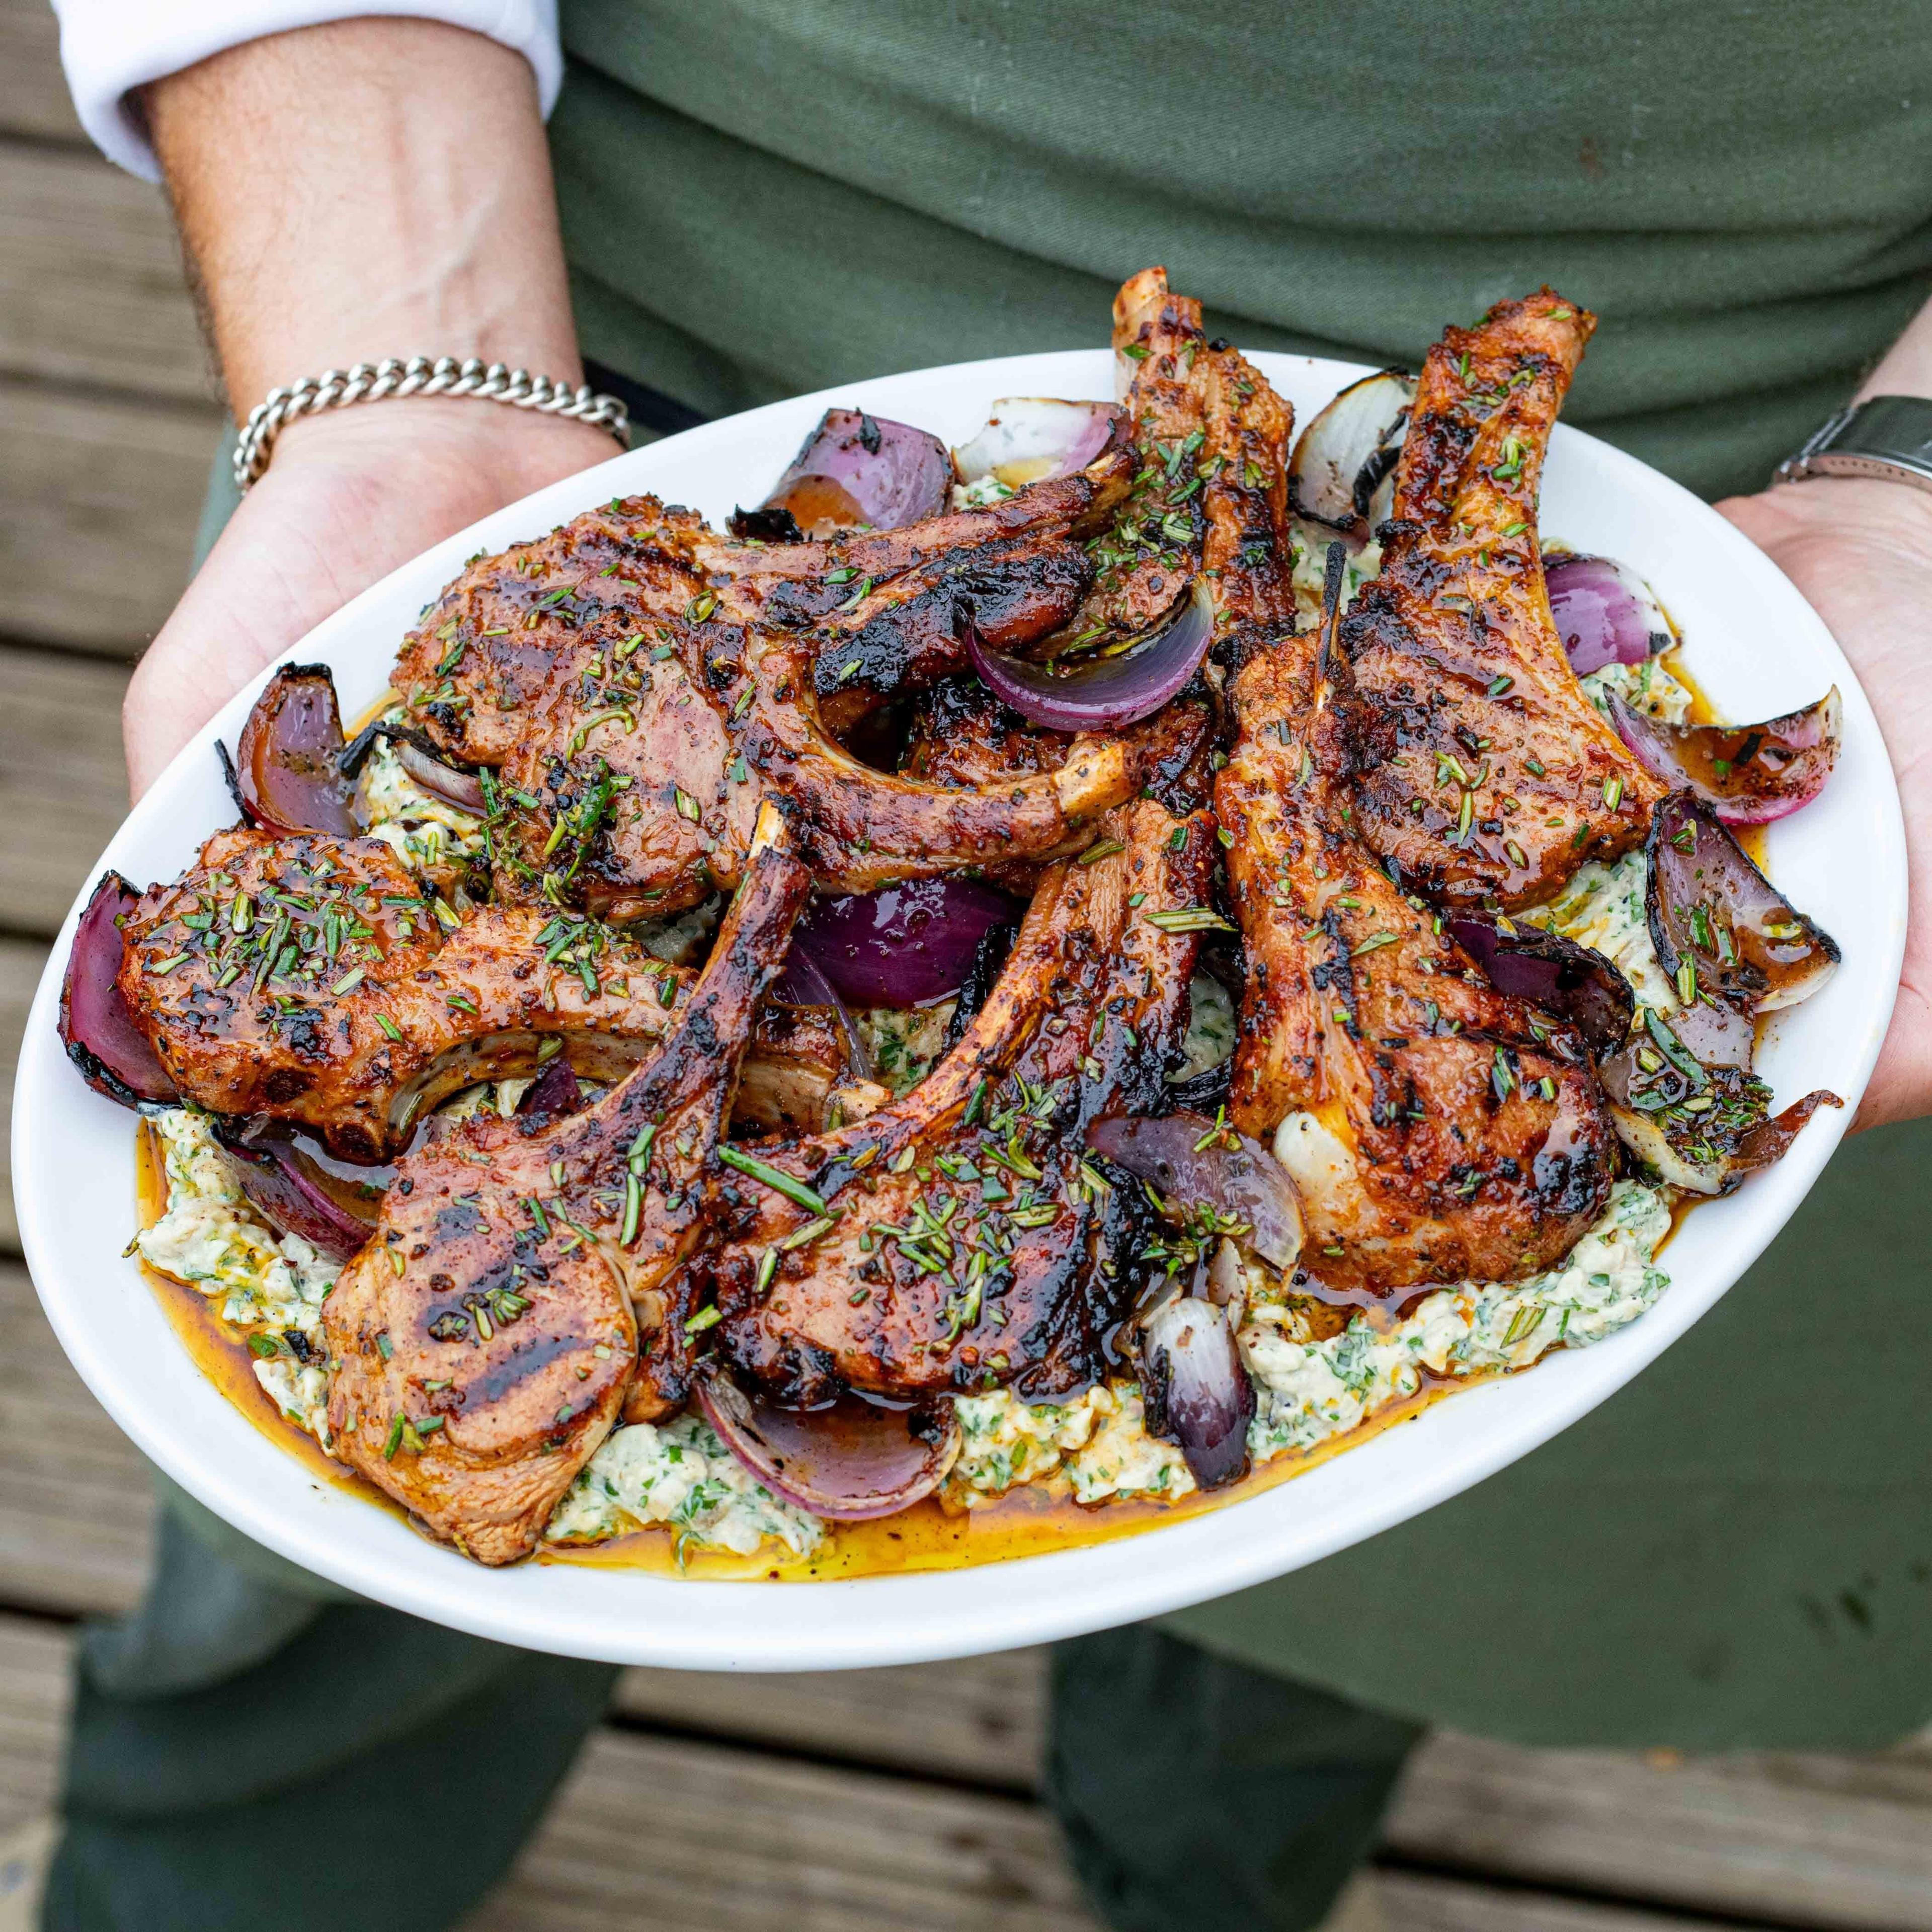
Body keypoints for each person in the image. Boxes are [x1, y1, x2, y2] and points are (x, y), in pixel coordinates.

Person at [33, 6, 1932, 1928]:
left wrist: (1918, 493)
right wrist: (393, 386)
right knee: (300, 1628)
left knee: (1336, 1655)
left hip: (1772, 490)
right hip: (544, 370)